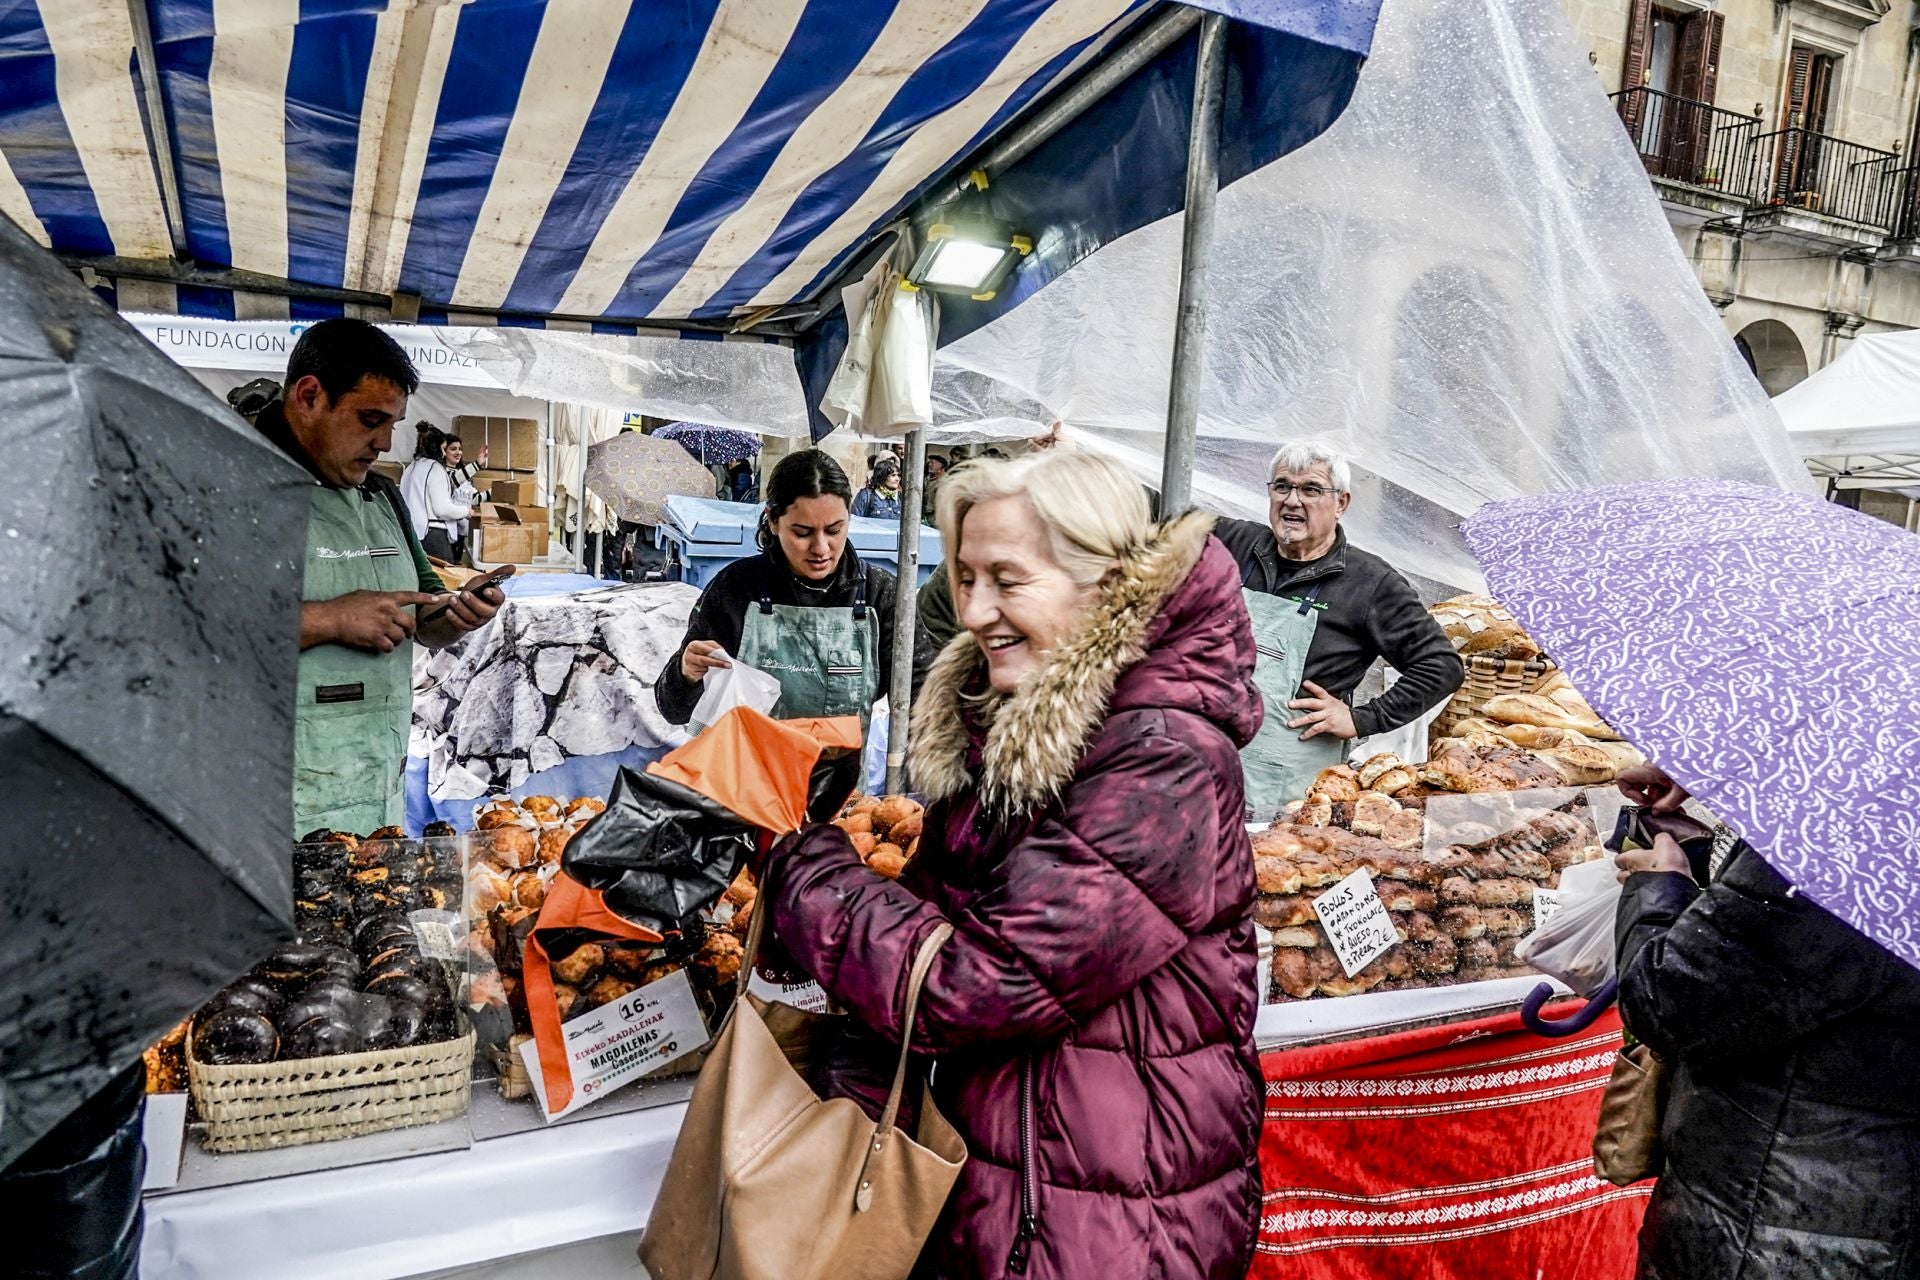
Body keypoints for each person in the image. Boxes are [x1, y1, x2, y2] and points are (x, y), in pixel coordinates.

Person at [762, 451, 1264, 1279]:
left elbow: (976, 984)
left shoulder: (1163, 757)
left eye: (1007, 578)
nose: (976, 610)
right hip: (1020, 1179)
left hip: (1110, 1217)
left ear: (1104, 585)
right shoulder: (1009, 731)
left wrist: (805, 875)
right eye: (964, 578)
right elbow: (932, 924)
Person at [1612, 763, 1920, 1279]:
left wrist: (1659, 888)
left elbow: (1672, 1001)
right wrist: (1733, 782)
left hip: (1784, 1218)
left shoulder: (1854, 825)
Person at [255, 318, 504, 835]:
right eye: (370, 420)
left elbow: (425, 607)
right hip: (269, 800)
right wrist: (326, 619)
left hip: (374, 785)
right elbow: (177, 632)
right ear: (308, 396)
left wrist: (454, 615)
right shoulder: (229, 486)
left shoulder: (383, 495)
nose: (384, 444)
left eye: (393, 424)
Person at [1216, 442, 1463, 815]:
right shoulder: (1233, 543)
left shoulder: (1372, 583)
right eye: (1282, 486)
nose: (1293, 501)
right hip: (1206, 758)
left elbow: (1441, 667)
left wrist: (1362, 719)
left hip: (1286, 787)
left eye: (1311, 489)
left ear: (1341, 503)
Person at [655, 449, 931, 730]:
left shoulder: (877, 594)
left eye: (834, 530)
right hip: (748, 769)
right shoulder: (736, 589)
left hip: (838, 772)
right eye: (802, 532)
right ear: (773, 520)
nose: (821, 548)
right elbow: (674, 711)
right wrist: (685, 674)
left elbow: (922, 699)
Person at [400, 425, 478, 562]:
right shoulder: (434, 468)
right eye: (443, 448)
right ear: (437, 448)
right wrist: (466, 511)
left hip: (412, 533)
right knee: (442, 580)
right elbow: (442, 509)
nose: (443, 453)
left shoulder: (411, 467)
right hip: (432, 536)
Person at [850, 453, 904, 519]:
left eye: (898, 475)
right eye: (893, 475)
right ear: (882, 476)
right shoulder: (866, 496)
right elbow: (855, 521)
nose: (897, 479)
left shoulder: (900, 498)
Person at [920, 453, 949, 525]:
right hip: (926, 517)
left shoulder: (945, 481)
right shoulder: (927, 479)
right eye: (929, 462)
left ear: (941, 468)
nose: (930, 465)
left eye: (933, 463)